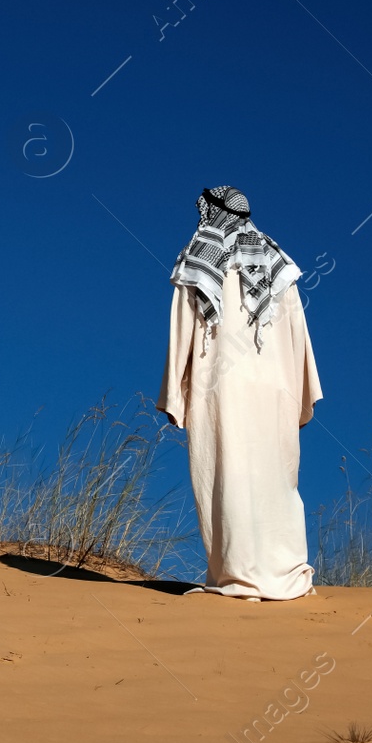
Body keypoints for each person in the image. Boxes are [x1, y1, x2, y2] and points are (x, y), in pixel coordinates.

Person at [156, 186, 322, 601]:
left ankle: (239, 576)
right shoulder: (279, 267)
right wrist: (303, 391)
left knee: (228, 474)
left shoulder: (199, 260)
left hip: (221, 388)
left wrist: (175, 391)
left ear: (211, 212)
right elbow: (300, 338)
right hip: (274, 391)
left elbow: (182, 330)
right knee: (274, 477)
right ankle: (283, 573)